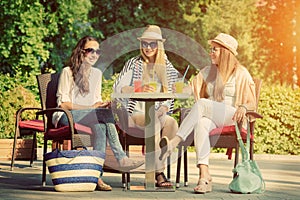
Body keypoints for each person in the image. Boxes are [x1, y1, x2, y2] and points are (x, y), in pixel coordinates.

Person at [159, 33, 257, 193]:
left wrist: (244, 107)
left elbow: (252, 101)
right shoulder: (208, 71)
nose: (210, 53)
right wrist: (177, 88)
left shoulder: (241, 73)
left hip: (232, 118)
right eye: (210, 49)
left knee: (202, 104)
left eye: (215, 50)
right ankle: (204, 177)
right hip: (212, 116)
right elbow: (189, 90)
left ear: (225, 52)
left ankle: (174, 142)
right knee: (201, 123)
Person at [53, 36, 144, 191]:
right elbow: (63, 103)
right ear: (81, 52)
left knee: (101, 126)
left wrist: (102, 105)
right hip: (66, 116)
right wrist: (91, 108)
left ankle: (96, 177)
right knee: (103, 115)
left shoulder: (96, 74)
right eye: (90, 50)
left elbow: (96, 101)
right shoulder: (67, 72)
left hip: (91, 116)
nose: (95, 54)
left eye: (98, 51)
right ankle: (121, 158)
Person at [113, 25, 180, 188]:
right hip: (136, 112)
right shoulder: (133, 64)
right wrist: (138, 88)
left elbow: (171, 93)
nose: (148, 47)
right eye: (145, 43)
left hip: (158, 112)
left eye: (152, 44)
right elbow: (117, 88)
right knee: (154, 123)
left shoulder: (167, 67)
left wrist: (163, 109)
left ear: (159, 45)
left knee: (172, 123)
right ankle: (158, 173)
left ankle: (163, 151)